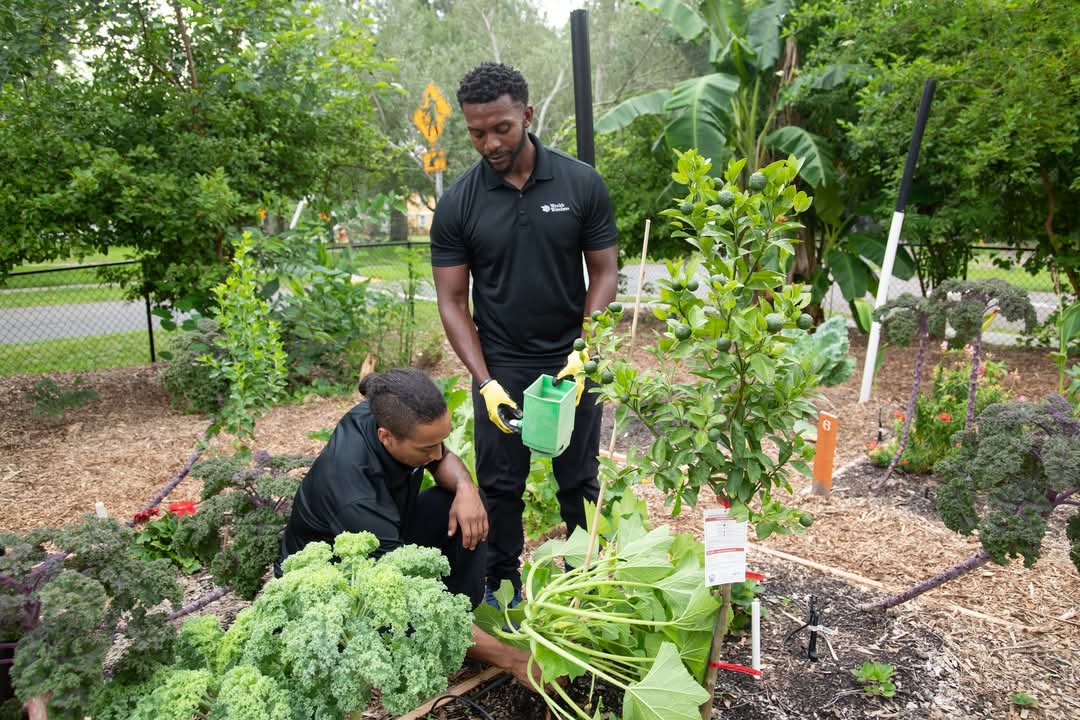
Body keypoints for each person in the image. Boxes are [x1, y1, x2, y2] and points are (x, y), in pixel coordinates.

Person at [429, 62, 619, 605]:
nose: (489, 143)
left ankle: (585, 579)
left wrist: (586, 350)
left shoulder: (579, 183)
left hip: (570, 359)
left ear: (528, 115)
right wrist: (484, 380)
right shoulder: (459, 203)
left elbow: (605, 272)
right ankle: (501, 583)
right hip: (501, 363)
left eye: (501, 128)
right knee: (500, 485)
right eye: (476, 133)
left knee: (578, 478)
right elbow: (451, 300)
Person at [280, 367, 539, 687]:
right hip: (338, 581)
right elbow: (405, 595)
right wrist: (514, 660)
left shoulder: (390, 414)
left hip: (389, 533)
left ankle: (464, 620)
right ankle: (453, 637)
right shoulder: (356, 497)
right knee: (410, 613)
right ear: (385, 437)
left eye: (440, 442)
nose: (437, 454)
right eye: (426, 448)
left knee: (468, 506)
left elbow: (440, 457)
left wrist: (466, 487)